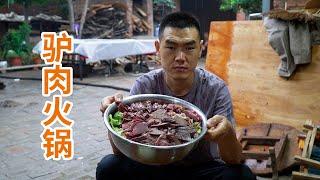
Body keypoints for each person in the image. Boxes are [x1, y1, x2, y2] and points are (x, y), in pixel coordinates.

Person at [97, 12, 255, 180]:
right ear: (158, 48)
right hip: (153, 167)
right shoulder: (145, 85)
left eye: (189, 48)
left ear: (201, 49)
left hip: (200, 170)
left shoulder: (216, 89)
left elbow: (235, 159)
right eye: (171, 47)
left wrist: (228, 133)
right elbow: (121, 152)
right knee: (109, 167)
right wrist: (110, 114)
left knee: (242, 176)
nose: (180, 58)